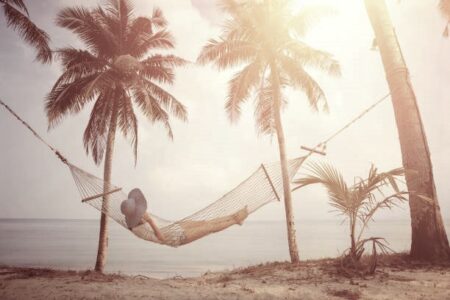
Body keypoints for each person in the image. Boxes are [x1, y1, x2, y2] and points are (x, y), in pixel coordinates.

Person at [120, 188, 249, 245]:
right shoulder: (139, 231)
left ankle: (234, 215)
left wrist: (147, 218)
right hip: (178, 237)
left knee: (206, 221)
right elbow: (162, 239)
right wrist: (151, 221)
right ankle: (235, 220)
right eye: (139, 210)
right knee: (209, 227)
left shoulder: (140, 217)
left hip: (176, 225)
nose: (142, 211)